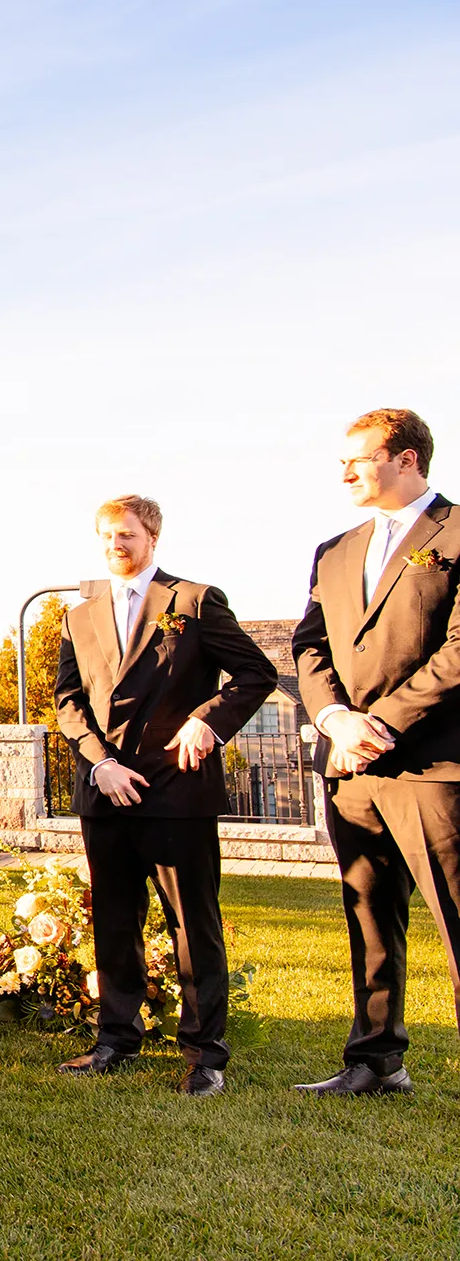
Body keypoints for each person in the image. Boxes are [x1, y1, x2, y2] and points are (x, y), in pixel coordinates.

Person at [53, 495, 274, 1097]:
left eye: (125, 535)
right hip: (105, 791)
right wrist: (99, 765)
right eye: (105, 536)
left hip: (176, 793)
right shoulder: (79, 615)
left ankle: (205, 1055)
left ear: (152, 537)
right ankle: (115, 1040)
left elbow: (257, 673)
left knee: (192, 924)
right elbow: (69, 704)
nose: (114, 545)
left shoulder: (195, 601)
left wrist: (209, 721)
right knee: (114, 922)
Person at [292, 409, 460, 1096]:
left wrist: (381, 724)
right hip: (350, 770)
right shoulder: (334, 550)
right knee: (368, 915)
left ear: (408, 460)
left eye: (359, 459)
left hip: (437, 765)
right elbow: (309, 645)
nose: (346, 472)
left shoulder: (455, 533)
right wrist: (334, 716)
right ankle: (374, 1061)